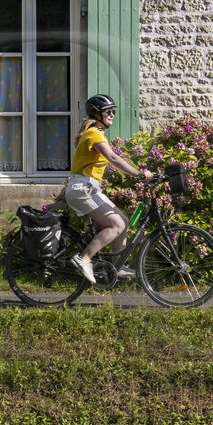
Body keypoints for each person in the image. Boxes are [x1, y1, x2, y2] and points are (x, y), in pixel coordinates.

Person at [64, 94, 152, 284]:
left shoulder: (97, 133)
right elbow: (112, 158)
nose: (112, 114)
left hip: (89, 188)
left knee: (123, 222)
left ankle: (117, 267)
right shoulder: (93, 133)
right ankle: (83, 257)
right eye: (108, 112)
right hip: (82, 189)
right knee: (116, 225)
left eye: (113, 111)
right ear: (97, 114)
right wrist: (138, 174)